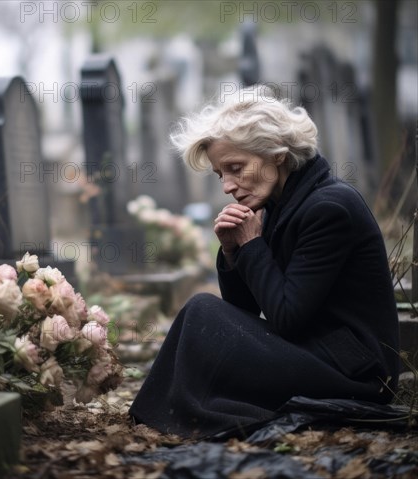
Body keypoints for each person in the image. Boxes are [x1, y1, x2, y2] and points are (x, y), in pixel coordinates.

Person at [129, 86, 400, 439]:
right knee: (201, 313)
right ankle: (162, 416)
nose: (227, 186)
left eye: (236, 168)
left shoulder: (329, 208)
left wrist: (252, 245)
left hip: (356, 373)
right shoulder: (277, 204)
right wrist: (232, 251)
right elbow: (244, 309)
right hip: (313, 349)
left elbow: (285, 318)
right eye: (220, 174)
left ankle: (175, 417)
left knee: (201, 310)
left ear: (277, 155)